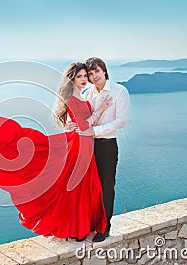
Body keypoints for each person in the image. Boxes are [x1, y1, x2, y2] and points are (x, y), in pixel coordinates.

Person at [0, 62, 112, 241]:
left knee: (80, 189)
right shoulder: (72, 99)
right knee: (73, 186)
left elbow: (78, 122)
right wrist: (99, 110)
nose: (84, 79)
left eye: (85, 76)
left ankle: (80, 229)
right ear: (72, 79)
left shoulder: (81, 97)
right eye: (79, 76)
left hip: (82, 143)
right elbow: (85, 125)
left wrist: (76, 121)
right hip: (79, 145)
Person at [68, 57, 130, 242]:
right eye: (90, 73)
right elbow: (83, 117)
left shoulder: (120, 91)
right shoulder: (88, 93)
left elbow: (121, 121)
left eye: (97, 71)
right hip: (88, 147)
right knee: (89, 187)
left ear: (104, 71)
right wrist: (72, 124)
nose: (94, 76)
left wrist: (94, 130)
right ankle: (90, 225)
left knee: (106, 187)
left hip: (106, 146)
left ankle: (105, 227)